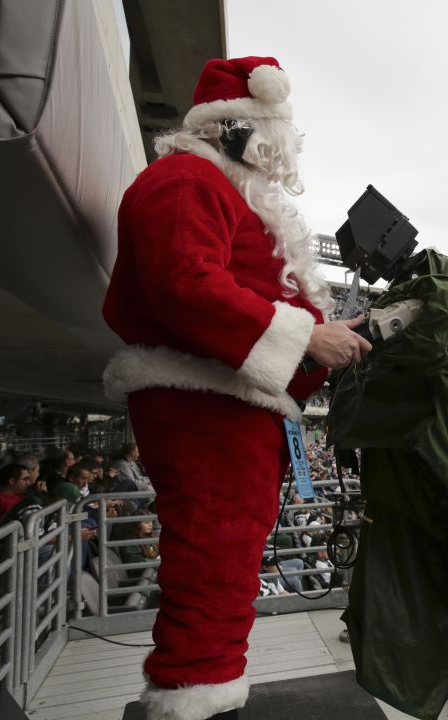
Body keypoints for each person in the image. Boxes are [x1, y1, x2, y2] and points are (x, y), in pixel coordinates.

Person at [101, 56, 371, 720]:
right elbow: (183, 283)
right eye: (272, 142)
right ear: (235, 130)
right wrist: (307, 339)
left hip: (226, 403)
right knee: (214, 553)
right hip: (203, 405)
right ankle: (193, 699)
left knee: (226, 555)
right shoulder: (185, 181)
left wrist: (327, 343)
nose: (281, 160)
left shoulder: (212, 186)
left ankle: (205, 689)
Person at [0, 463, 32, 529]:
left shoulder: (18, 495)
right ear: (12, 481)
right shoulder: (0, 502)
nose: (29, 483)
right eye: (25, 479)